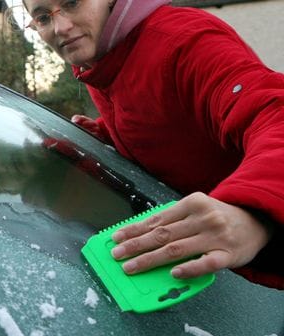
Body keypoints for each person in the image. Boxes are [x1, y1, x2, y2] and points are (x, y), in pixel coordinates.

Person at [21, 0, 283, 289]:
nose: (61, 27)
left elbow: (274, 114)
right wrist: (99, 140)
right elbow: (166, 119)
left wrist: (253, 214)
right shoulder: (105, 61)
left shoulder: (185, 41)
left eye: (72, 3)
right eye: (43, 18)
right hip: (211, 273)